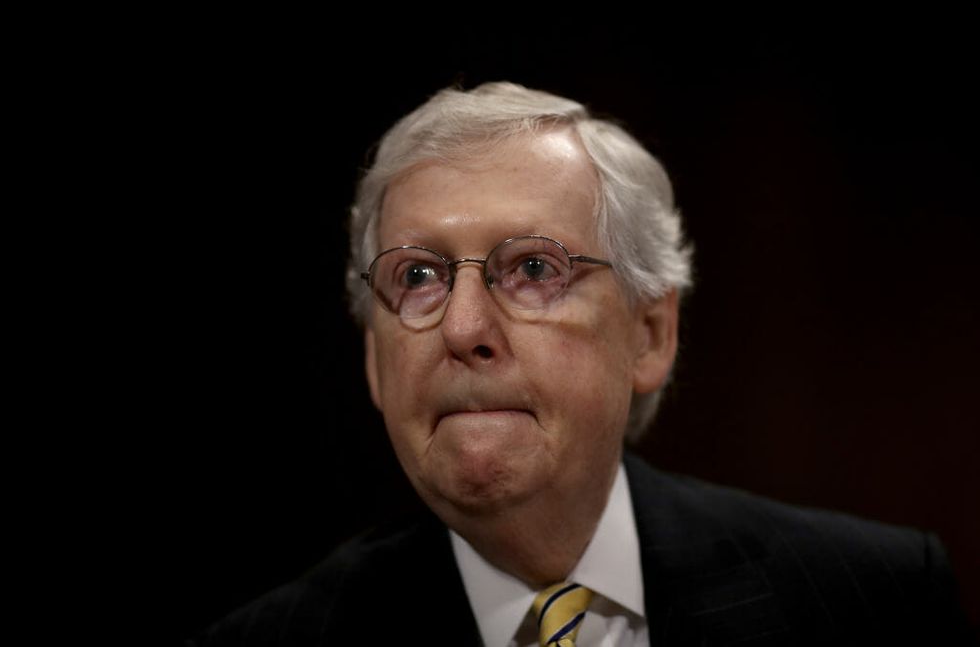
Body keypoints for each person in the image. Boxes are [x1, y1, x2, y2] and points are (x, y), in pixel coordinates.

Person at [190, 82, 972, 645]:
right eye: (418, 276)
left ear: (649, 335)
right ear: (373, 357)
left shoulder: (874, 603)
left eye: (533, 268)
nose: (463, 328)